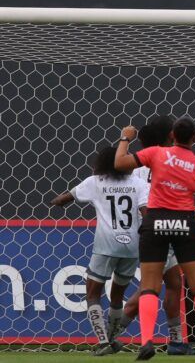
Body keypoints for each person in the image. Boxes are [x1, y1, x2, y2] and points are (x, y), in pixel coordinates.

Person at [114, 117, 195, 360]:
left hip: (155, 222)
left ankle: (146, 341)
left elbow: (119, 164)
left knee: (149, 285)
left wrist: (126, 138)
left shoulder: (156, 154)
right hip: (184, 223)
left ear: (172, 136)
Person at [108, 116, 195, 355]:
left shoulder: (138, 165)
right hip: (161, 226)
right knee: (150, 288)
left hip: (147, 228)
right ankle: (111, 337)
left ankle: (176, 341)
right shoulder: (168, 159)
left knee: (172, 283)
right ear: (170, 136)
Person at [51, 146, 148, 356]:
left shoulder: (95, 182)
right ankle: (112, 339)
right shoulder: (139, 184)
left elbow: (63, 199)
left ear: (102, 163)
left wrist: (55, 201)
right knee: (117, 296)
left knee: (93, 293)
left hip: (106, 245)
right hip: (132, 246)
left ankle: (103, 342)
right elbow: (146, 214)